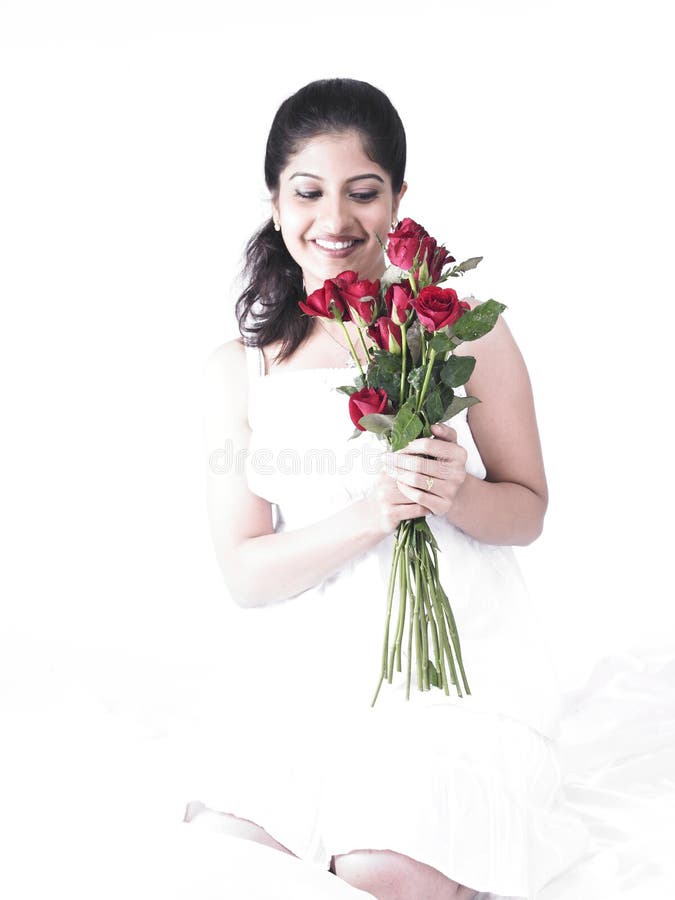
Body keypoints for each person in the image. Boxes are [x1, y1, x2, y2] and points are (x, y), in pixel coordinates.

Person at [185, 78, 583, 900]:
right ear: (274, 199)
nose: (334, 220)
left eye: (363, 192)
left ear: (399, 198)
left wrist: (455, 493)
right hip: (303, 677)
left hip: (452, 674)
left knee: (380, 868)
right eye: (309, 192)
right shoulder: (240, 369)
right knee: (225, 859)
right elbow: (245, 572)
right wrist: (376, 510)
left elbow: (527, 511)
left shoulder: (459, 330)